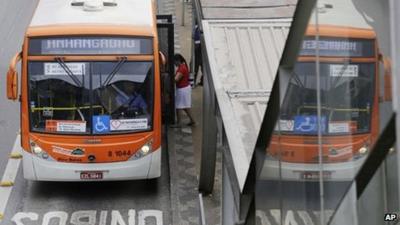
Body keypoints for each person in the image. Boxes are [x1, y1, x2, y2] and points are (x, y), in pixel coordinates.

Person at [172, 54, 196, 127]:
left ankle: (179, 123)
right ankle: (193, 121)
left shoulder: (182, 68)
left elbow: (176, 79)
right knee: (185, 107)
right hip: (184, 89)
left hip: (182, 90)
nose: (174, 64)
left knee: (178, 106)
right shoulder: (182, 66)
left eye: (175, 62)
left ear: (178, 61)